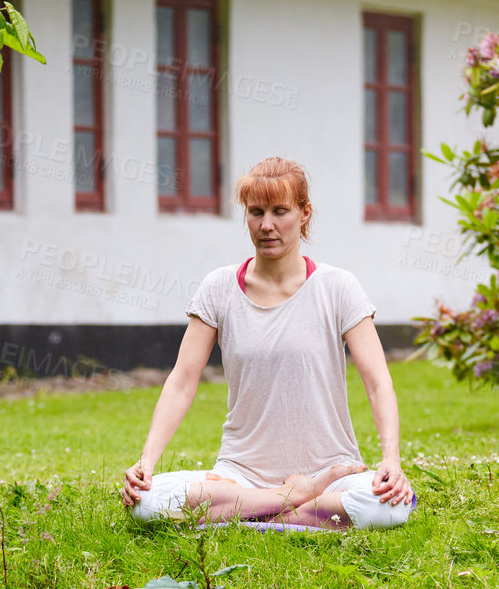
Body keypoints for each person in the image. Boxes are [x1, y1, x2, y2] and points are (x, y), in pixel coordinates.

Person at [121, 157, 416, 530]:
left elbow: (377, 382)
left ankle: (240, 515)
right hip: (240, 475)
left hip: (332, 471)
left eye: (280, 212)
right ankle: (293, 502)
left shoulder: (338, 287)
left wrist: (391, 459)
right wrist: (146, 462)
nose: (267, 225)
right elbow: (182, 380)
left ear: (305, 213)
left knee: (388, 507)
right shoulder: (219, 287)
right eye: (256, 212)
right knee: (145, 504)